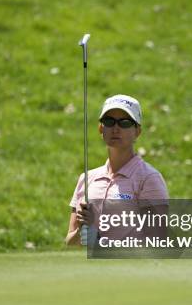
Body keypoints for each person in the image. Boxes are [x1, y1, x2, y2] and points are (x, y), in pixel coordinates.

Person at [65, 94, 169, 246]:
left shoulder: (149, 178)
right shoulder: (87, 178)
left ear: (137, 131)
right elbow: (69, 243)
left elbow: (157, 242)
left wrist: (100, 241)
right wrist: (82, 231)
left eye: (125, 123)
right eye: (109, 121)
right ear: (101, 128)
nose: (115, 128)